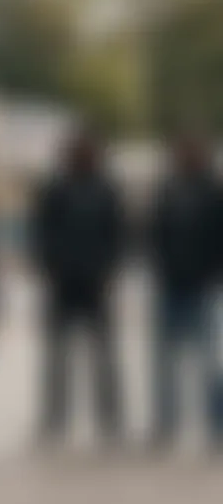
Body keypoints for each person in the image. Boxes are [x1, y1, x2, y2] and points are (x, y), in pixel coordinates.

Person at [30, 124, 126, 445]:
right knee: (57, 359)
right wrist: (49, 266)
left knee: (104, 359)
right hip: (63, 285)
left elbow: (119, 234)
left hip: (96, 285)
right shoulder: (55, 188)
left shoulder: (107, 189)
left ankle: (109, 419)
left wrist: (109, 269)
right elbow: (41, 232)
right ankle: (54, 418)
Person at [147, 131, 223, 450]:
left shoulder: (213, 191)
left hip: (202, 287)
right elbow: (154, 232)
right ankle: (166, 425)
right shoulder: (167, 189)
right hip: (169, 285)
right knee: (164, 363)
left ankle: (216, 427)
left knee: (210, 363)